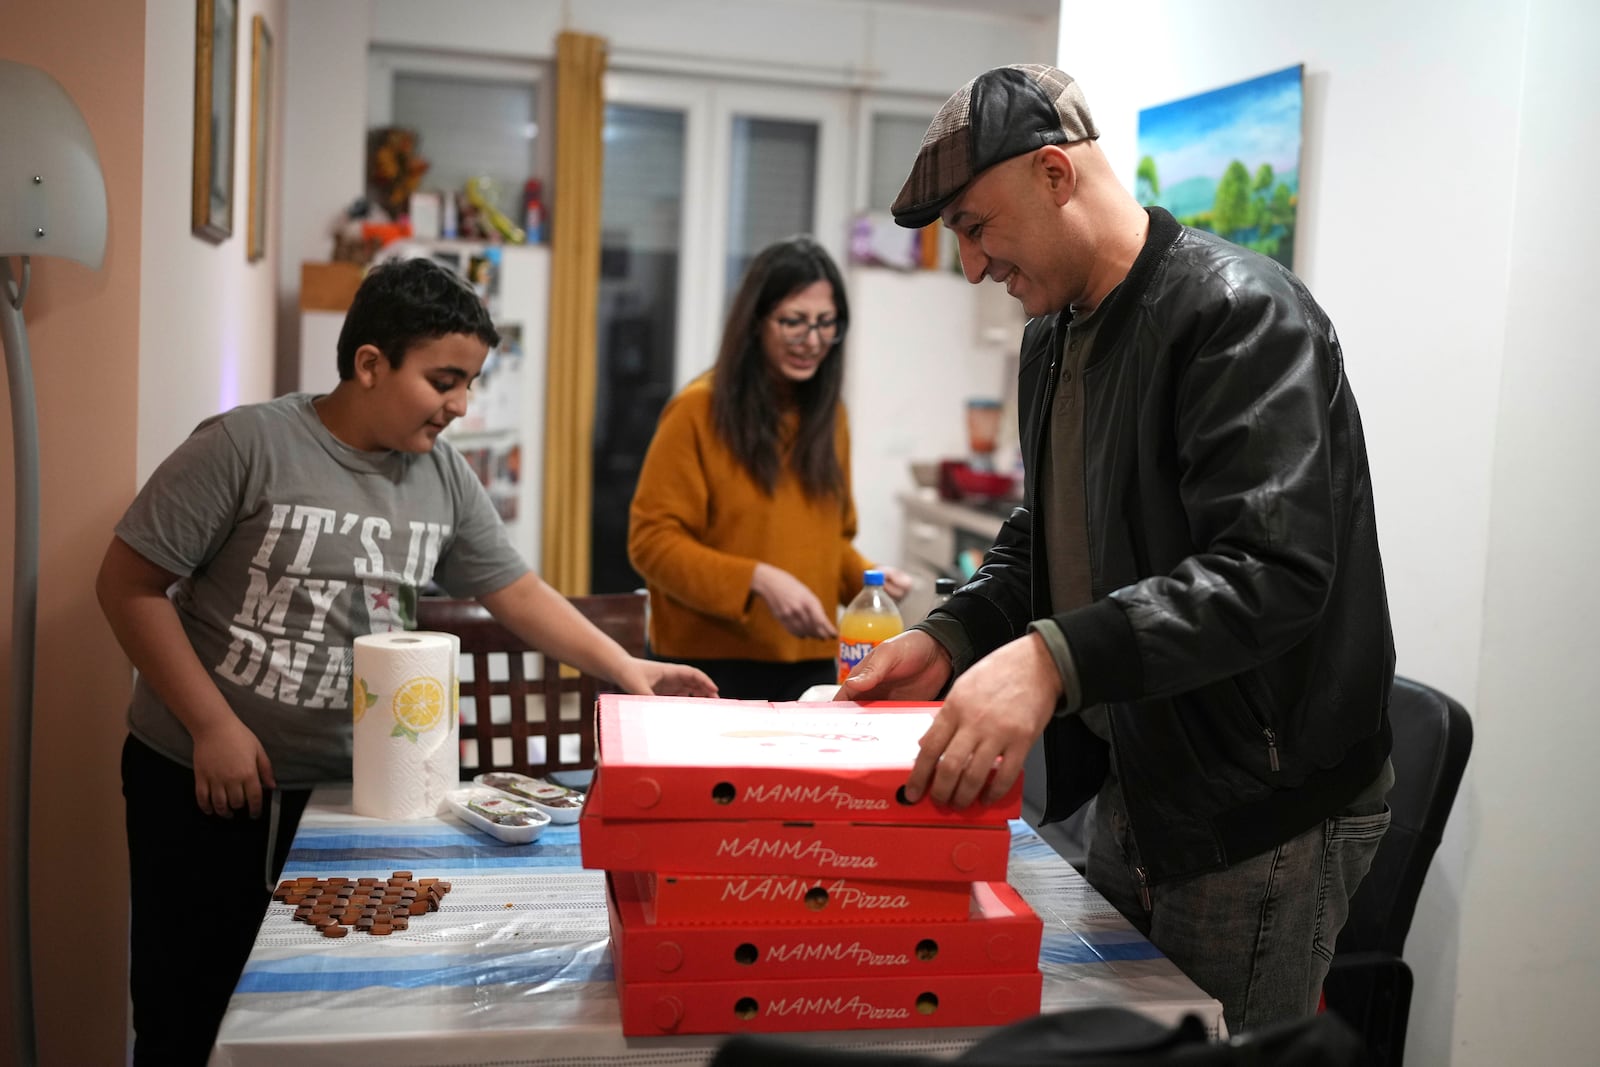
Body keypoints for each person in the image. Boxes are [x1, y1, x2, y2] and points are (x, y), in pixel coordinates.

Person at [839, 65, 1395, 1035]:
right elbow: (1047, 535)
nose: (971, 266)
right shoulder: (1053, 335)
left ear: (1054, 173)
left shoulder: (1237, 315)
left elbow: (1271, 572)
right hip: (1134, 775)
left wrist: (1053, 658)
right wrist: (958, 633)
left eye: (975, 226)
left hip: (1255, 804)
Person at [96, 257, 716, 1066]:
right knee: (189, 1009)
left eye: (470, 383)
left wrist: (626, 667)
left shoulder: (443, 477)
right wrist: (210, 722)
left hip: (346, 799)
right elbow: (128, 584)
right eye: (444, 380)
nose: (461, 405)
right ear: (369, 363)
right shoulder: (247, 444)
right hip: (202, 782)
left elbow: (518, 592)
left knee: (324, 1018)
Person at [629, 236, 909, 701]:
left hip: (812, 663)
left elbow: (825, 540)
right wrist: (757, 579)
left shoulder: (828, 416)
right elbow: (652, 542)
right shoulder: (698, 410)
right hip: (708, 668)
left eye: (826, 324)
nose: (812, 341)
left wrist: (868, 578)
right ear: (755, 323)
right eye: (793, 322)